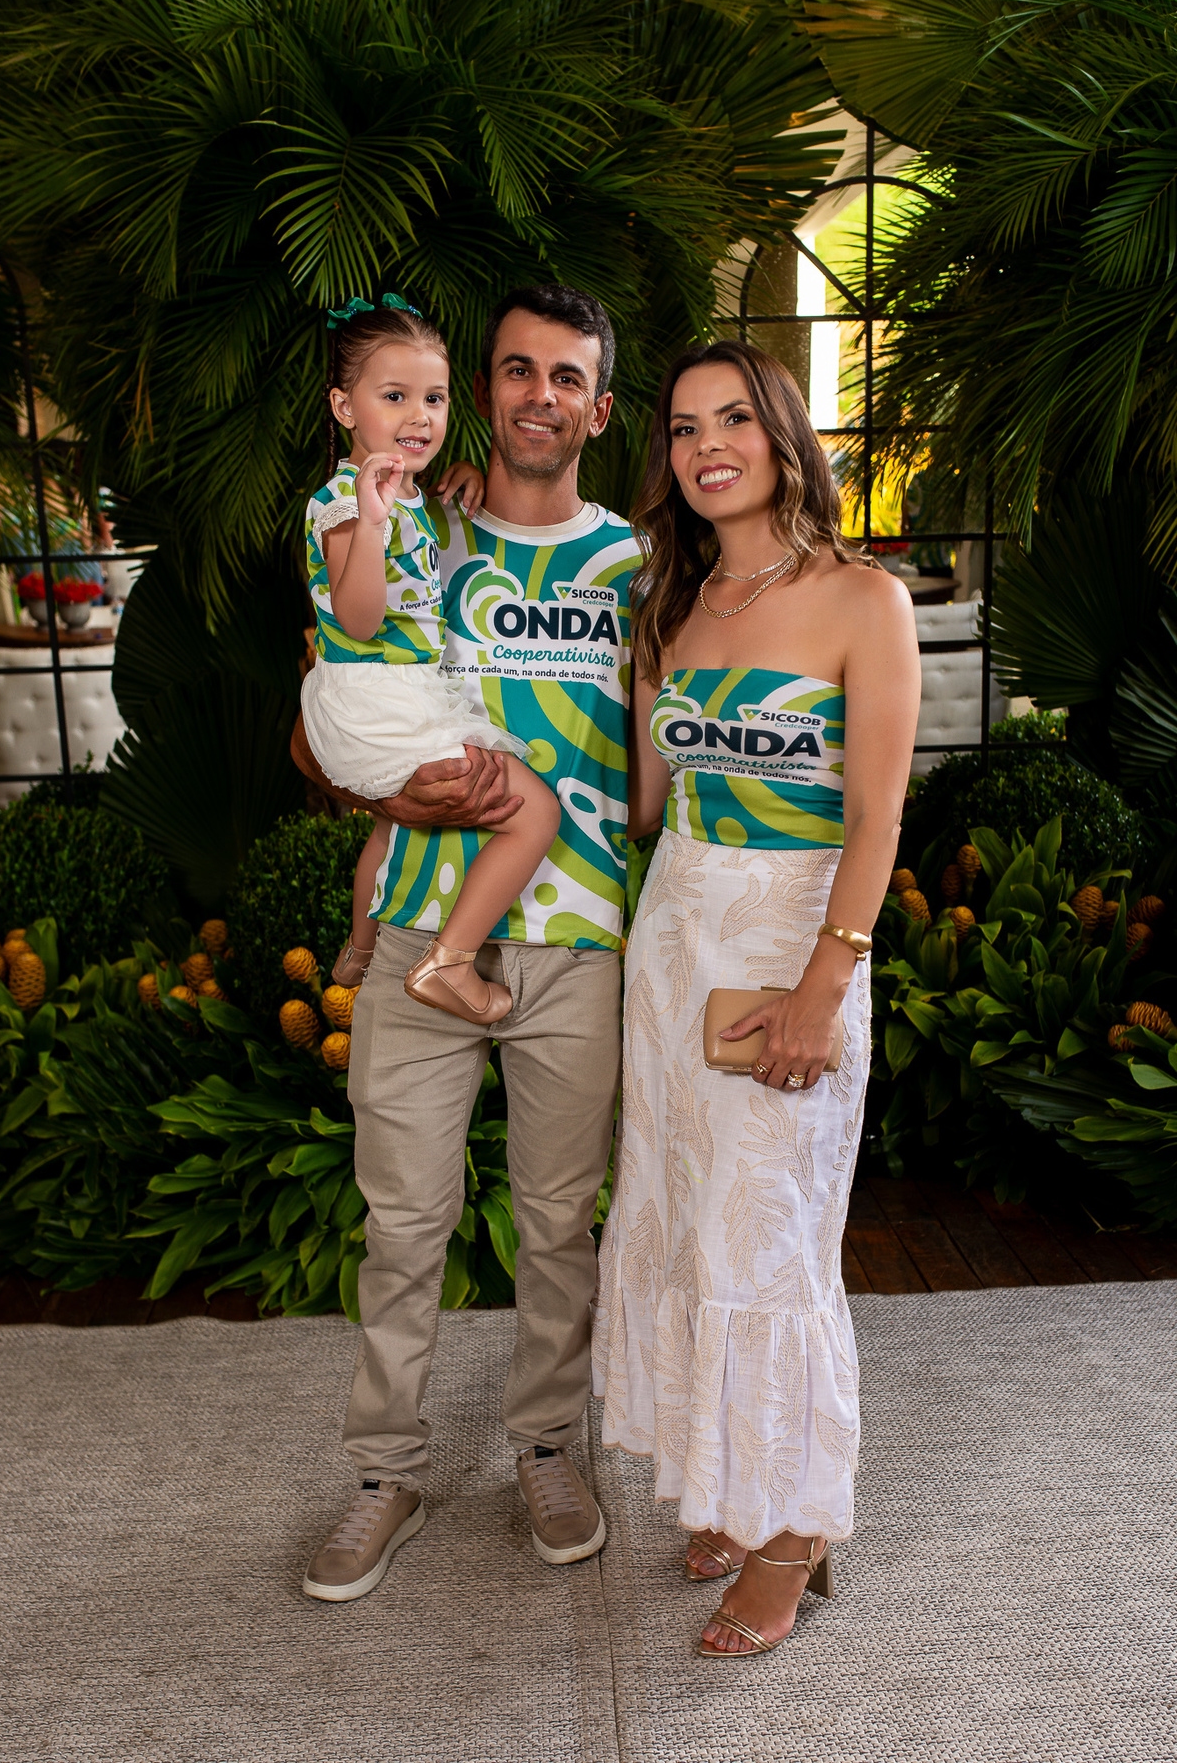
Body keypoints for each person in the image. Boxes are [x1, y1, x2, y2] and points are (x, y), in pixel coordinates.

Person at [294, 284, 640, 1603]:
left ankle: (547, 1446)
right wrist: (387, 798)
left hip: (580, 937)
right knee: (403, 1222)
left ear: (597, 410)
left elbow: (672, 753)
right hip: (420, 930)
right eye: (518, 370)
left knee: (558, 1222)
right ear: (484, 392)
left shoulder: (638, 566)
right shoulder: (405, 525)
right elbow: (315, 719)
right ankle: (384, 1473)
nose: (540, 394)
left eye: (568, 377)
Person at [592, 339, 920, 1657]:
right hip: (678, 938)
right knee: (687, 1218)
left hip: (794, 937)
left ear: (784, 435)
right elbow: (646, 802)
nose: (706, 444)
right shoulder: (669, 608)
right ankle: (733, 1481)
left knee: (770, 1235)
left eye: (733, 417)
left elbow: (878, 812)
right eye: (682, 427)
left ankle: (795, 1529)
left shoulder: (861, 598)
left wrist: (824, 982)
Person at [302, 292, 560, 1023]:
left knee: (394, 827)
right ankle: (449, 963)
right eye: (394, 397)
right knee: (534, 814)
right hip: (377, 693)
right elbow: (358, 619)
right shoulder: (348, 503)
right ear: (344, 407)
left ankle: (359, 950)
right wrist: (373, 522)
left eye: (434, 398)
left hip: (394, 690)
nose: (419, 416)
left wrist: (456, 483)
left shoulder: (405, 495)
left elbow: (423, 541)